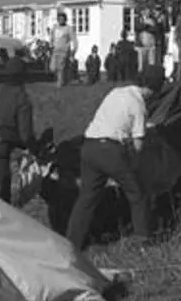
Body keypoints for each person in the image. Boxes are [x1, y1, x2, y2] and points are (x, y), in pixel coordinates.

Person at [65, 64, 165, 251]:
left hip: (89, 146)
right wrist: (133, 166)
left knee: (87, 197)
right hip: (110, 151)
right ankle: (142, 240)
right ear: (153, 89)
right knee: (137, 194)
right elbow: (138, 145)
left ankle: (72, 242)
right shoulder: (139, 105)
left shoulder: (116, 92)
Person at [0, 50, 36, 202]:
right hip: (9, 146)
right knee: (4, 193)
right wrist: (32, 147)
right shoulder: (21, 98)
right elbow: (25, 133)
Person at [50, 11, 78, 87]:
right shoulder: (55, 27)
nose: (61, 20)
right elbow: (52, 37)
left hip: (64, 51)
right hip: (55, 50)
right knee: (52, 68)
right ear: (58, 20)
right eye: (59, 19)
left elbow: (74, 40)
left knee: (60, 67)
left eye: (63, 19)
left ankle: (60, 83)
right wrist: (50, 44)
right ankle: (65, 79)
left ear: (65, 20)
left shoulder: (68, 28)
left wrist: (74, 51)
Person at [135, 9, 157, 73]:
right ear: (142, 12)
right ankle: (141, 75)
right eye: (146, 11)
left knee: (151, 61)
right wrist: (147, 24)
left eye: (149, 11)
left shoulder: (153, 19)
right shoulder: (138, 19)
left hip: (151, 43)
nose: (148, 13)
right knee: (141, 61)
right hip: (141, 43)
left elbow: (154, 29)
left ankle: (150, 74)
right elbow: (139, 27)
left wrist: (146, 26)